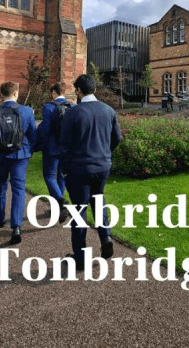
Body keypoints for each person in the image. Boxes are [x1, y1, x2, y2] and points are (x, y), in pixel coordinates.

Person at [60, 74, 122, 269]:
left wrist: (65, 169)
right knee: (98, 200)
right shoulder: (108, 110)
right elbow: (117, 138)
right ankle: (106, 237)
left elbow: (65, 145)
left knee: (79, 211)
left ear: (78, 91)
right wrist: (104, 153)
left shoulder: (73, 113)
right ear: (94, 89)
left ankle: (80, 257)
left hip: (80, 168)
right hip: (102, 166)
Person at [0, 82, 36, 245]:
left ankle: (0, 218)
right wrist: (30, 150)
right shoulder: (26, 111)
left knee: (0, 187)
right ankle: (16, 227)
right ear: (16, 93)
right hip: (20, 155)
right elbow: (33, 134)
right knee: (18, 189)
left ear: (2, 94)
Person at [34, 83, 70, 223]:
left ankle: (61, 201)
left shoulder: (48, 107)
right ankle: (58, 208)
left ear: (54, 92)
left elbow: (45, 130)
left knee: (49, 176)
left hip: (52, 148)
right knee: (61, 176)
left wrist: (39, 144)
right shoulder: (72, 106)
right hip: (66, 148)